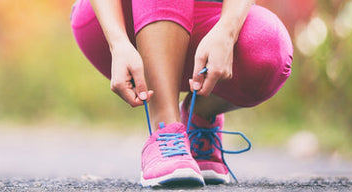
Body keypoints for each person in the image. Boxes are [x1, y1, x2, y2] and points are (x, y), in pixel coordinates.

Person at [70, 0, 292, 187]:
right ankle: (166, 130)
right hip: (117, 21)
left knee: (269, 46)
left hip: (207, 18)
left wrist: (227, 32)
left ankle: (199, 114)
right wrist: (117, 42)